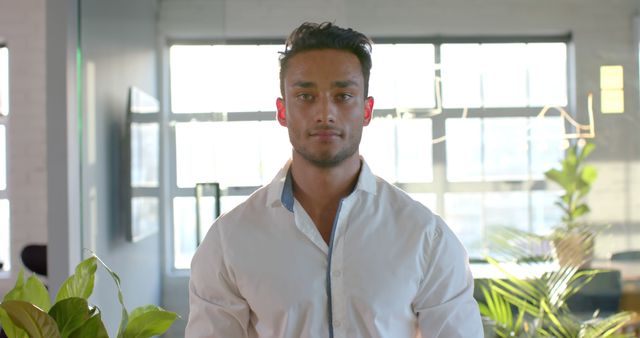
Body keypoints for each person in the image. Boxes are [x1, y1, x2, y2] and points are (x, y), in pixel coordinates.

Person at [186, 21, 483, 338]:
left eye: (343, 96)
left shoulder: (426, 236)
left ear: (367, 110)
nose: (325, 113)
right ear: (282, 111)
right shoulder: (229, 241)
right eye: (305, 96)